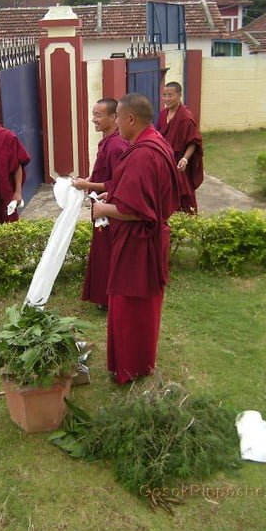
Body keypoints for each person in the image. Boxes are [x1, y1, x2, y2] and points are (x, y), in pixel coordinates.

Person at [93, 93, 180, 385]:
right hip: (144, 240)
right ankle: (138, 362)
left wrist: (104, 208)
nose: (116, 123)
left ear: (130, 119)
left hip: (139, 243)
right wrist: (113, 193)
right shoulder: (153, 142)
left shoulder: (144, 152)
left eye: (117, 117)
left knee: (131, 304)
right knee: (138, 305)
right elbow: (142, 193)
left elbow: (139, 210)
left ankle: (131, 366)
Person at [72, 98, 129, 310]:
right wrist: (87, 179)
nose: (93, 119)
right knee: (102, 250)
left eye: (98, 115)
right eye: (93, 114)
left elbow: (117, 182)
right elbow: (103, 173)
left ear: (114, 117)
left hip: (111, 208)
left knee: (108, 252)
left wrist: (88, 184)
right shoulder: (107, 141)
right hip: (101, 204)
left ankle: (108, 298)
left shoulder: (116, 145)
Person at [156, 82, 204, 213]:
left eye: (170, 95)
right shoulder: (162, 114)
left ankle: (186, 221)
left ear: (179, 95)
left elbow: (193, 141)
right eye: (164, 95)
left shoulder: (186, 117)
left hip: (178, 163)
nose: (166, 99)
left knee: (183, 195)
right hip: (165, 162)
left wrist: (185, 159)